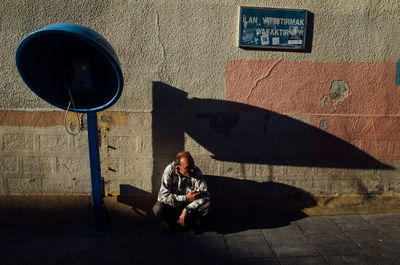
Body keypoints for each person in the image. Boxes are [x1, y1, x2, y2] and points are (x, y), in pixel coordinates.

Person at [153, 151, 210, 232]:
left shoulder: (196, 171)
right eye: (188, 167)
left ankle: (189, 224)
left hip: (189, 208)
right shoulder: (170, 170)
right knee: (158, 208)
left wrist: (187, 209)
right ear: (177, 168)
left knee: (207, 205)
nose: (192, 169)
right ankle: (172, 225)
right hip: (173, 205)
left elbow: (206, 195)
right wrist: (185, 198)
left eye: (193, 164)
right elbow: (162, 197)